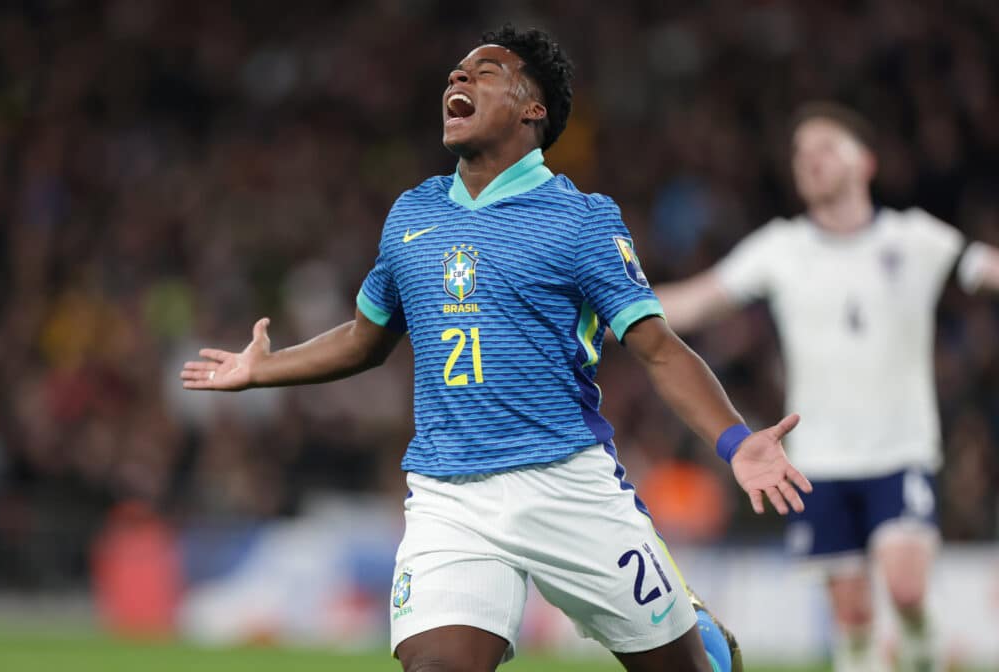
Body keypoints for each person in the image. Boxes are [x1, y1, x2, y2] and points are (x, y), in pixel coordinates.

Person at [182, 26, 811, 672]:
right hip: (450, 495)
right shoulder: (411, 215)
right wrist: (263, 368)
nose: (458, 79)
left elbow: (657, 349)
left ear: (532, 108)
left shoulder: (581, 218)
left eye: (484, 72)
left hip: (567, 485)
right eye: (455, 72)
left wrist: (735, 442)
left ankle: (697, 637)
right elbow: (365, 339)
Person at [653, 102, 999, 672]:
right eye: (799, 154)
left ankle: (922, 659)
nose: (808, 160)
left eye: (824, 148)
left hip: (900, 449)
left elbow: (982, 267)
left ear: (864, 162)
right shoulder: (781, 248)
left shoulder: (915, 238)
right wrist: (616, 305)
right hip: (819, 461)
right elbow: (699, 298)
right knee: (854, 617)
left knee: (907, 592)